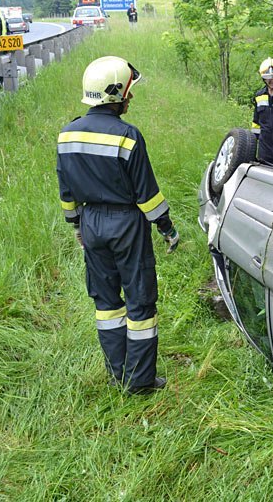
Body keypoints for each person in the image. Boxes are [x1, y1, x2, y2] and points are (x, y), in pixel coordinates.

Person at [56, 56, 180, 395]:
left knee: (106, 303)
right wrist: (167, 228)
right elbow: (147, 194)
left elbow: (66, 189)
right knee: (140, 301)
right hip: (126, 224)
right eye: (128, 90)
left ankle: (118, 374)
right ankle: (139, 382)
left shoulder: (66, 134)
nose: (131, 96)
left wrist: (76, 225)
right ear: (115, 94)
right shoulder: (128, 136)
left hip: (90, 223)